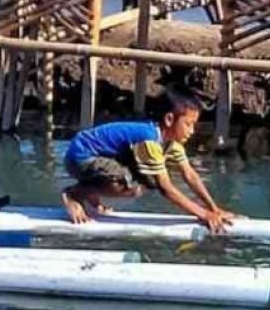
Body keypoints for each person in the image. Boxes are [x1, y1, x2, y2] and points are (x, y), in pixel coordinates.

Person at [61, 88, 236, 231]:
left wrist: (214, 209)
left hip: (98, 156)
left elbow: (190, 176)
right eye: (188, 124)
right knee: (132, 186)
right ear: (169, 119)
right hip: (81, 157)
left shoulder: (171, 144)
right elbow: (166, 189)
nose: (192, 131)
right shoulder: (150, 140)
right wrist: (204, 215)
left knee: (143, 182)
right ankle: (75, 194)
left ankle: (91, 194)